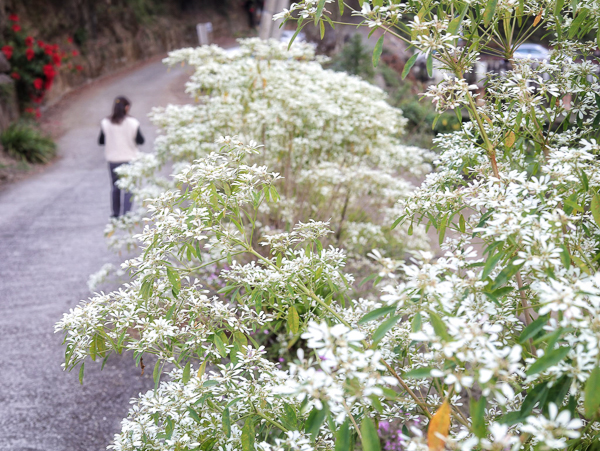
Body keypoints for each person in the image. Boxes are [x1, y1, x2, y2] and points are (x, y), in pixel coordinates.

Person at [98, 96, 144, 218]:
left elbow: (101, 141)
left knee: (115, 187)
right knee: (129, 187)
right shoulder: (133, 122)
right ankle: (127, 214)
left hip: (113, 159)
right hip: (130, 158)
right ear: (127, 107)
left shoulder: (106, 122)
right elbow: (140, 140)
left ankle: (115, 213)